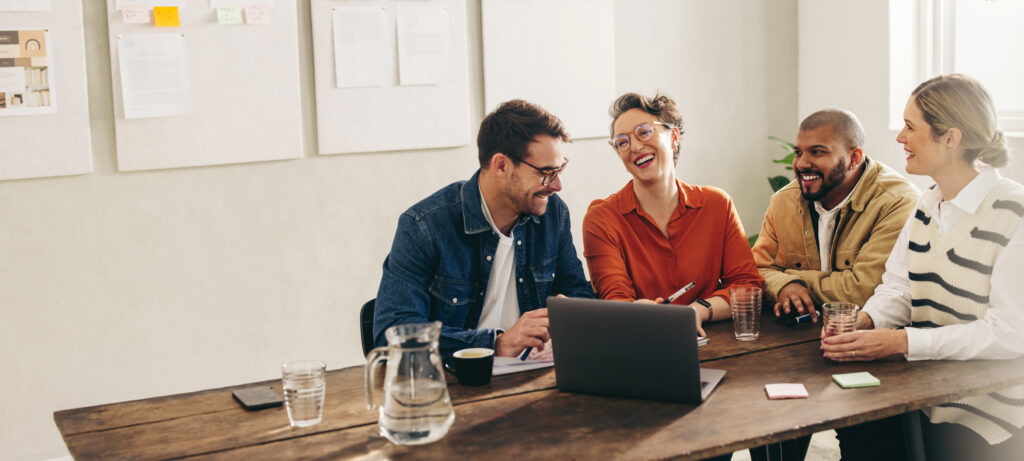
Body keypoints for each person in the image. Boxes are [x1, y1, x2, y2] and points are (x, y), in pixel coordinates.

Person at [822, 74, 1024, 461]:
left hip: (988, 413)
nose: (900, 138)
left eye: (911, 127)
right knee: (856, 429)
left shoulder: (1014, 212)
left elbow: (1012, 332)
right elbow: (899, 287)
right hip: (924, 391)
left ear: (951, 138)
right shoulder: (925, 206)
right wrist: (866, 321)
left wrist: (903, 341)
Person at [750, 110, 920, 460]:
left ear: (854, 157)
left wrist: (793, 280)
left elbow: (861, 290)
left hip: (874, 350)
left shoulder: (897, 201)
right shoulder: (784, 201)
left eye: (818, 152)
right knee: (766, 427)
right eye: (799, 152)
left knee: (871, 445)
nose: (801, 163)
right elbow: (755, 269)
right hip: (795, 347)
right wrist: (782, 286)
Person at [373, 100, 595, 358]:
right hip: (457, 384)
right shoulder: (424, 226)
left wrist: (571, 313)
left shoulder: (553, 214)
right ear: (501, 165)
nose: (557, 185)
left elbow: (577, 293)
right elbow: (392, 334)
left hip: (531, 377)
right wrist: (496, 344)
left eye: (560, 169)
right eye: (546, 172)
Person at [583, 92, 762, 339]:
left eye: (644, 132)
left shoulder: (717, 204)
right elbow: (616, 300)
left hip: (717, 343)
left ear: (674, 137)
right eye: (622, 142)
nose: (634, 147)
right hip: (641, 343)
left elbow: (746, 285)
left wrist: (699, 310)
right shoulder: (602, 218)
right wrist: (633, 311)